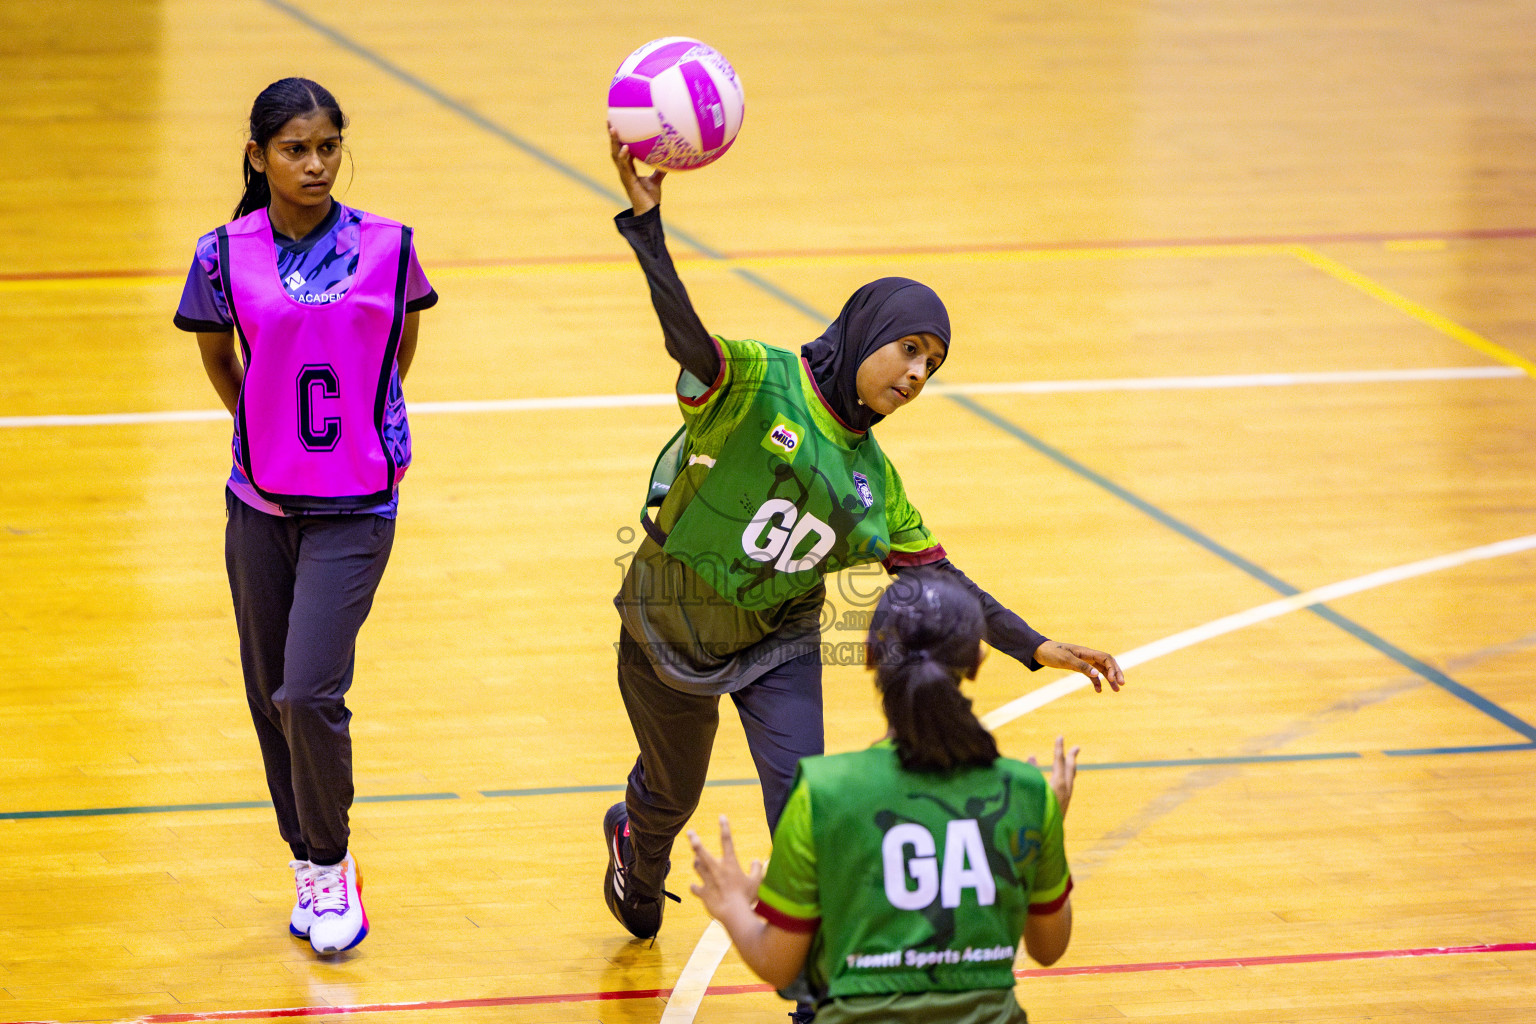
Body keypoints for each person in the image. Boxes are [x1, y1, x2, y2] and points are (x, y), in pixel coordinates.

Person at [600, 125, 1122, 961]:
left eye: (933, 364)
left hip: (777, 644)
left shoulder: (878, 486)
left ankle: (815, 992)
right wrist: (648, 229)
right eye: (909, 349)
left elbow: (941, 577)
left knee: (803, 808)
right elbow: (687, 340)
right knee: (670, 796)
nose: (916, 374)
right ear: (866, 329)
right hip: (669, 627)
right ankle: (636, 840)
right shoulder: (760, 380)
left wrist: (1035, 644)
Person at [173, 77, 436, 956]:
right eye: (295, 149)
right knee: (268, 697)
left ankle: (331, 861)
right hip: (260, 503)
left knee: (309, 691)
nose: (315, 164)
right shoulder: (221, 255)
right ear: (258, 157)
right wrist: (266, 428)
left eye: (328, 147)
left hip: (356, 506)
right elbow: (221, 360)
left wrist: (361, 420)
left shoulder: (390, 248)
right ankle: (305, 861)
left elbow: (397, 348)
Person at [689, 573, 1080, 1024]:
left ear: (869, 655)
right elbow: (1049, 949)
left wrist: (734, 906)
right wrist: (1043, 833)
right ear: (976, 661)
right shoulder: (1026, 792)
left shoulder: (824, 791)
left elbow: (779, 965)